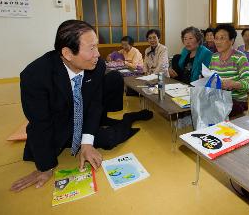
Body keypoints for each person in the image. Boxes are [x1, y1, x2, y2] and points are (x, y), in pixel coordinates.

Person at [10, 20, 152, 192]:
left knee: (109, 140)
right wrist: (45, 167)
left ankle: (129, 117)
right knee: (43, 152)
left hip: (82, 116)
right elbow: (40, 123)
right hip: (56, 125)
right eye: (91, 48)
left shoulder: (97, 66)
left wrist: (86, 143)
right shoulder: (35, 76)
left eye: (97, 47)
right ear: (68, 53)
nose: (98, 54)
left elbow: (94, 104)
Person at [209, 24, 249, 118]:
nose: (218, 42)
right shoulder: (214, 57)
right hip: (218, 97)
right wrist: (205, 79)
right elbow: (211, 77)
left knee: (212, 110)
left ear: (232, 40)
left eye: (222, 38)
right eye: (216, 38)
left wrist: (234, 84)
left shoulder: (240, 57)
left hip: (236, 101)